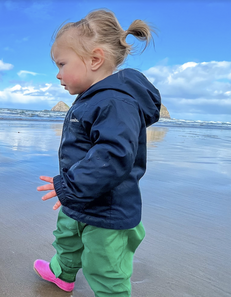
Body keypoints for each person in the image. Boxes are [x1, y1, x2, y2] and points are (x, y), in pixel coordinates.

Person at [35, 9, 161, 297]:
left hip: (107, 208)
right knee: (67, 237)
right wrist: (72, 188)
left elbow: (114, 154)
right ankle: (62, 274)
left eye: (62, 63)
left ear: (94, 59)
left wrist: (71, 185)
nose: (58, 74)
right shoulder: (92, 98)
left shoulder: (116, 102)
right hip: (80, 197)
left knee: (104, 265)